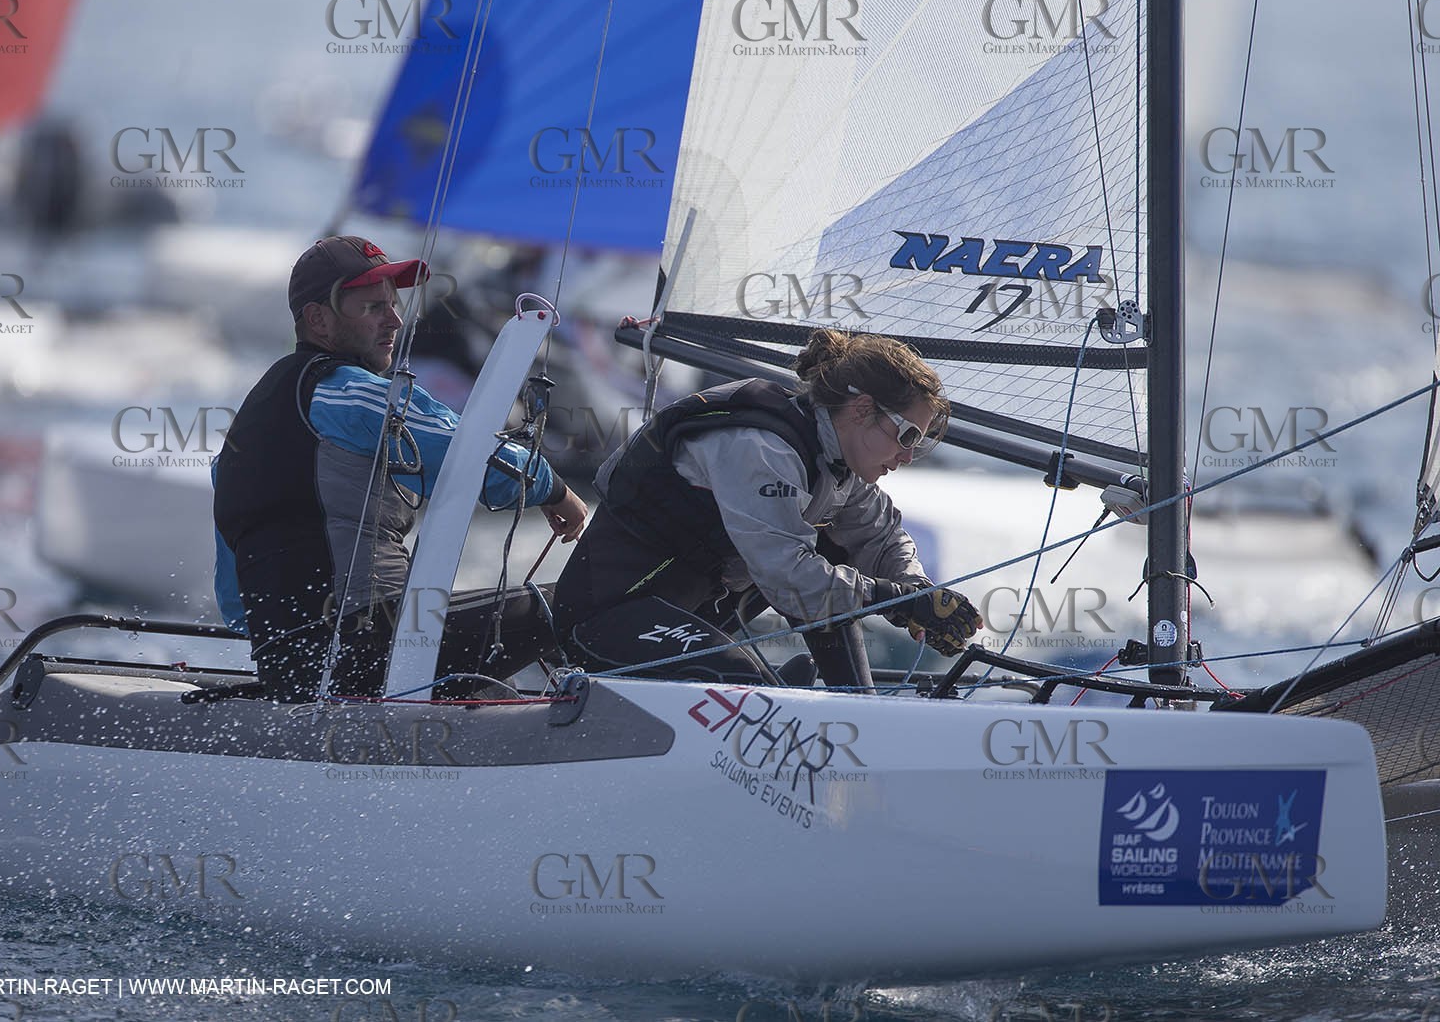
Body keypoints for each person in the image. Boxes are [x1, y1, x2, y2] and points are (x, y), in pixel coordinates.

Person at [213, 235, 588, 700]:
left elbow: (235, 603)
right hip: (368, 645)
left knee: (487, 677)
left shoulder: (247, 426)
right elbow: (474, 452)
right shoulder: (349, 394)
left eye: (393, 306)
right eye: (372, 308)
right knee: (585, 599)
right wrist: (556, 491)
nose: (394, 321)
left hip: (293, 662)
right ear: (319, 319)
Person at [553, 328, 981, 690]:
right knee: (757, 676)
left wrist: (920, 594)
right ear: (862, 408)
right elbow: (788, 576)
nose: (907, 456)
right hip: (608, 619)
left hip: (686, 616)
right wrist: (897, 600)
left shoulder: (836, 464)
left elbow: (881, 538)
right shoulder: (761, 449)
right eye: (907, 436)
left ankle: (856, 703)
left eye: (918, 444)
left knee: (835, 560)